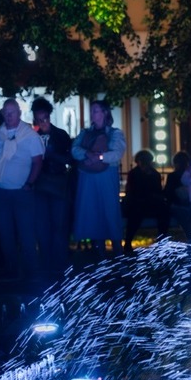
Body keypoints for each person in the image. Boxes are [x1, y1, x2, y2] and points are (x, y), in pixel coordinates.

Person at [0, 98, 44, 279]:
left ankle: (31, 271)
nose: (9, 115)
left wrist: (29, 183)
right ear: (3, 114)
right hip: (1, 191)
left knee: (26, 233)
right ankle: (11, 269)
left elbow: (37, 162)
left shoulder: (30, 136)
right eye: (6, 112)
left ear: (19, 113)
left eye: (12, 112)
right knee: (5, 233)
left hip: (21, 192)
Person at [70, 100, 126, 260]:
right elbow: (74, 150)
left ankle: (118, 255)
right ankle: (99, 256)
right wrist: (88, 154)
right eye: (92, 110)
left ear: (104, 112)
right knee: (93, 212)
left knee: (109, 212)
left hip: (106, 177)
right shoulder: (84, 133)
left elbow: (117, 153)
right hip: (88, 177)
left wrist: (99, 157)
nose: (92, 114)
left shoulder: (115, 133)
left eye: (95, 110)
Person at [32, 97, 73, 276]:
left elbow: (70, 158)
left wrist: (51, 155)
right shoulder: (33, 136)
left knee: (58, 225)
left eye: (45, 119)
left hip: (55, 182)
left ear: (49, 116)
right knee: (44, 226)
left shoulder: (60, 135)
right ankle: (48, 262)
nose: (42, 123)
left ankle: (58, 263)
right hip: (42, 183)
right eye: (39, 119)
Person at [123, 149, 170, 251]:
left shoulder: (154, 174)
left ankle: (162, 240)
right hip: (138, 203)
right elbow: (133, 190)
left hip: (150, 203)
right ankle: (128, 242)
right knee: (136, 212)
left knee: (164, 211)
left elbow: (157, 190)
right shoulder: (134, 173)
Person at [164, 150, 191, 240]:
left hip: (178, 205)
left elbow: (168, 193)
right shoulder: (190, 176)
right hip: (183, 205)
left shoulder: (173, 176)